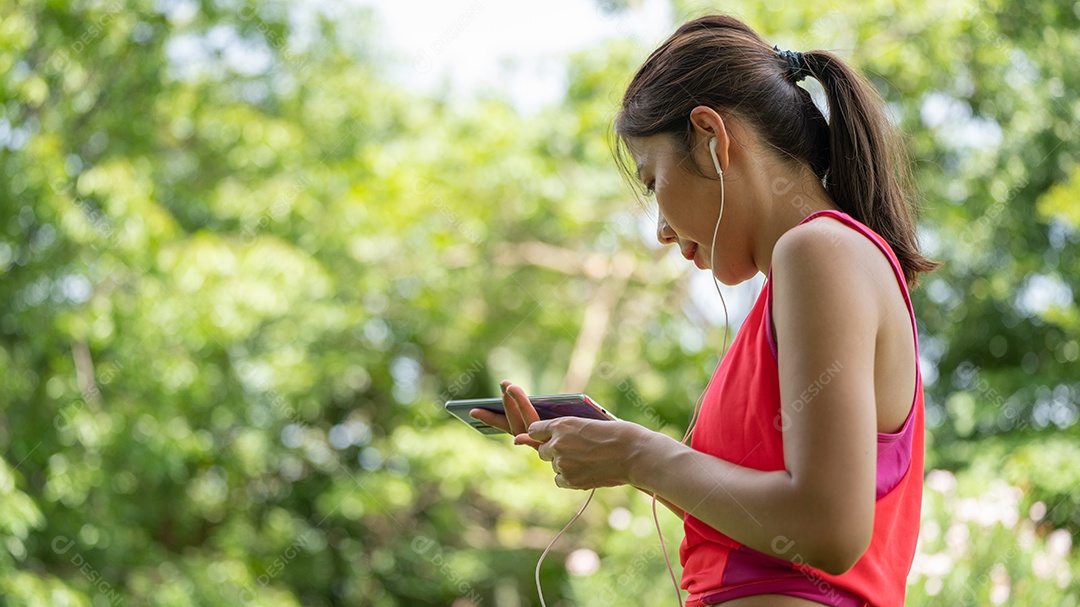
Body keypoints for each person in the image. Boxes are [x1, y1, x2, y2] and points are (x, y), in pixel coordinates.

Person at [471, 14, 937, 607]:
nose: (661, 230)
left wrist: (641, 455)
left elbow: (828, 527)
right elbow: (771, 521)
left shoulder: (820, 249)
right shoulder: (807, 270)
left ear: (712, 138)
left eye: (653, 179)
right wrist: (616, 449)